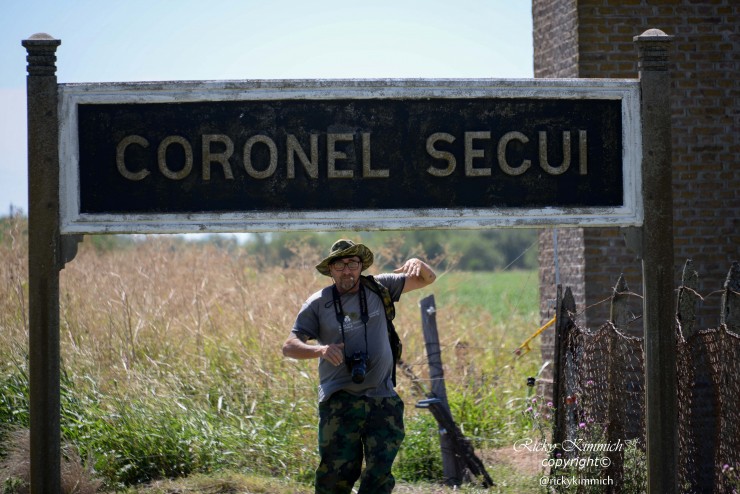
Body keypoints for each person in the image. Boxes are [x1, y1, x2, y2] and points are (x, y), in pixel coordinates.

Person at [282, 239, 436, 494]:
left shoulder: (379, 287)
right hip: (339, 400)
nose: (347, 270)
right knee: (335, 477)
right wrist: (319, 350)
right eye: (340, 264)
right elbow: (289, 346)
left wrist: (417, 263)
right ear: (330, 269)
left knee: (379, 475)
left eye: (352, 263)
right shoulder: (318, 302)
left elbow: (427, 279)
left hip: (383, 398)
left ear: (361, 266)